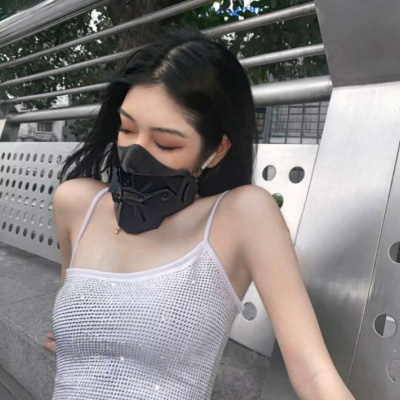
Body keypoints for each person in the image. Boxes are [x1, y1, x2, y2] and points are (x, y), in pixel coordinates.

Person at [45, 28, 355, 399]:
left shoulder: (241, 216)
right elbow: (74, 316)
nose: (134, 155)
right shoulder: (76, 204)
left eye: (165, 143)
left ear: (217, 150)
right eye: (126, 129)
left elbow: (314, 374)